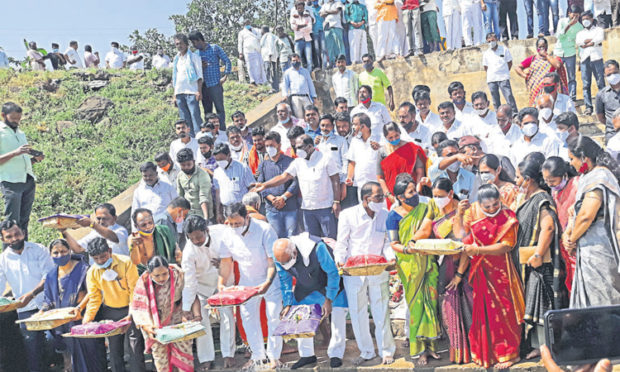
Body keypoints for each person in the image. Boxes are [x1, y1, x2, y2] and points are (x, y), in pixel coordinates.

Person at [458, 184, 524, 369]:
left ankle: (511, 354)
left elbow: (506, 246)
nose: (492, 209)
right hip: (481, 273)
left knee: (505, 313)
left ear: (500, 201)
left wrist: (478, 249)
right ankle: (488, 354)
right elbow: (461, 237)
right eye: (487, 207)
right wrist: (458, 214)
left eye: (495, 204)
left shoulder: (508, 218)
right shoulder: (476, 220)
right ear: (479, 205)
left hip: (502, 272)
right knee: (485, 314)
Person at [413, 178, 473, 364]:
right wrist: (414, 241)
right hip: (445, 265)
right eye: (434, 195)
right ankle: (457, 352)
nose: (436, 199)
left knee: (468, 308)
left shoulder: (465, 210)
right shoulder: (433, 205)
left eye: (440, 196)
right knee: (449, 309)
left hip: (464, 266)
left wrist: (459, 275)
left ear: (451, 194)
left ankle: (473, 351)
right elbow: (425, 228)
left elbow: (465, 244)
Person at [334, 182, 396, 365]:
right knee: (357, 312)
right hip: (354, 271)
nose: (382, 201)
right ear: (366, 199)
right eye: (378, 197)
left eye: (382, 197)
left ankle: (386, 351)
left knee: (381, 310)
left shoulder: (385, 214)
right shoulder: (348, 215)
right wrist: (340, 261)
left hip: (378, 269)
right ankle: (367, 351)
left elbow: (386, 242)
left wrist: (391, 258)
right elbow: (342, 242)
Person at [217, 203, 283, 369]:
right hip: (246, 282)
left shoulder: (265, 230)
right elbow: (226, 262)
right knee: (248, 319)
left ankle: (274, 356)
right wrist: (221, 284)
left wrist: (267, 282)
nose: (234, 227)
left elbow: (271, 261)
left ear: (247, 217)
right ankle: (258, 356)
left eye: (237, 224)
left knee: (274, 316)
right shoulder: (227, 234)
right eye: (230, 224)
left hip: (270, 279)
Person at [514, 158, 567, 360]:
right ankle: (539, 346)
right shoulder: (528, 197)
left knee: (541, 303)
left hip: (539, 264)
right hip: (528, 263)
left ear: (528, 179)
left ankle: (546, 347)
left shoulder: (541, 198)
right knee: (533, 302)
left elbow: (548, 227)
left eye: (518, 177)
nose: (516, 181)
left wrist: (537, 254)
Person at [385, 174, 440, 364]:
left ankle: (431, 346)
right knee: (416, 308)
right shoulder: (393, 216)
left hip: (429, 262)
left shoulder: (425, 209)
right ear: (401, 197)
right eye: (410, 192)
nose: (415, 194)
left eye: (415, 190)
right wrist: (409, 249)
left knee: (431, 303)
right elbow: (394, 243)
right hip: (409, 266)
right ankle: (418, 350)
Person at [272, 235, 349, 369]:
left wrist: (329, 299)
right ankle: (307, 355)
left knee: (338, 314)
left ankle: (336, 353)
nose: (285, 265)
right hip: (306, 287)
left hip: (330, 284)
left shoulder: (317, 248)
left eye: (288, 260)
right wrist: (288, 303)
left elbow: (333, 273)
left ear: (295, 252)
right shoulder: (280, 257)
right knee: (299, 315)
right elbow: (285, 280)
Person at [564, 136, 620, 307]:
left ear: (584, 158)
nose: (571, 163)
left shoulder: (600, 175)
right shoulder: (588, 177)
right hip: (588, 246)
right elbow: (576, 211)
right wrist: (568, 233)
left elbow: (587, 215)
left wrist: (572, 240)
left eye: (572, 159)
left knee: (602, 301)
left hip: (599, 247)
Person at [253, 134, 341, 238]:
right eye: (295, 147)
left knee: (330, 240)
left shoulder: (325, 158)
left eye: (300, 147)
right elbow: (284, 177)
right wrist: (265, 185)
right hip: (307, 209)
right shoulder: (298, 162)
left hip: (325, 207)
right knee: (312, 241)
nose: (297, 150)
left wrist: (336, 201)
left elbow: (335, 179)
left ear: (309, 147)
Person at [181, 216, 236, 369]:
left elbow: (238, 247)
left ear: (207, 230)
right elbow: (189, 282)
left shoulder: (223, 232)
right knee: (201, 320)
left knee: (227, 317)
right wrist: (186, 308)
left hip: (224, 280)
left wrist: (226, 261)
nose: (197, 241)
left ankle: (229, 354)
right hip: (201, 286)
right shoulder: (188, 253)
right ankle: (206, 357)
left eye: (199, 237)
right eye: (192, 239)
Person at [83, 237, 145, 372]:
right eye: (96, 258)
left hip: (131, 309)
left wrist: (130, 314)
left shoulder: (126, 262)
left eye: (103, 257)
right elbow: (94, 298)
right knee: (114, 349)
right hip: (111, 311)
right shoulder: (92, 272)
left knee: (135, 347)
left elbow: (134, 290)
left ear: (109, 251)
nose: (100, 261)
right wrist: (87, 320)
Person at [0, 220, 55, 372]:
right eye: (9, 236)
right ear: (3, 239)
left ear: (23, 232)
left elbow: (49, 276)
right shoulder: (3, 260)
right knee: (32, 352)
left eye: (17, 234)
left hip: (49, 304)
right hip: (25, 310)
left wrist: (32, 294)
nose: (14, 238)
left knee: (54, 341)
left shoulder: (39, 250)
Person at [43, 239, 104, 372]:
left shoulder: (83, 269)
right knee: (73, 362)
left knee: (92, 358)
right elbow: (48, 300)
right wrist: (42, 312)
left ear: (69, 251)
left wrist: (79, 307)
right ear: (50, 254)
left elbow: (93, 292)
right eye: (56, 252)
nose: (60, 255)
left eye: (63, 251)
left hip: (83, 320)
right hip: (64, 324)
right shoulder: (51, 276)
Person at [130, 256, 193, 372]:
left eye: (164, 274)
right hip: (154, 323)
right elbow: (138, 308)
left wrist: (193, 314)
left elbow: (191, 294)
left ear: (169, 269)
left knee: (184, 352)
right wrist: (147, 326)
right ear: (150, 274)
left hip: (177, 317)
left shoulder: (179, 275)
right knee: (160, 358)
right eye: (157, 276)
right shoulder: (143, 282)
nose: (161, 278)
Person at [0, 102, 43, 239]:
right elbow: (13, 156)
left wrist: (35, 159)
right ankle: (8, 256)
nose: (16, 122)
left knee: (24, 222)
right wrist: (15, 153)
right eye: (13, 118)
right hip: (11, 182)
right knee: (11, 223)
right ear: (3, 115)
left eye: (19, 118)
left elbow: (20, 161)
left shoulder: (20, 132)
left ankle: (24, 253)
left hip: (27, 180)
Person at [541, 156, 578, 293]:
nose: (550, 184)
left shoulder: (577, 184)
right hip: (562, 244)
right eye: (546, 181)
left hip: (576, 240)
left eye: (552, 181)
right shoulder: (554, 190)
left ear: (564, 175)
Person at [258, 131, 300, 238]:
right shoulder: (263, 165)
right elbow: (261, 185)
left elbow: (296, 183)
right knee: (276, 239)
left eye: (272, 145)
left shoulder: (290, 161)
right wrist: (272, 199)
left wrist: (283, 198)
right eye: (267, 146)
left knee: (293, 239)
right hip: (272, 210)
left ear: (279, 145)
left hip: (290, 207)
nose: (269, 148)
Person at [189, 31, 231, 129]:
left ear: (199, 40)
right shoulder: (196, 54)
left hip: (215, 84)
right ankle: (210, 131)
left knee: (219, 109)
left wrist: (225, 76)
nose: (194, 45)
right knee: (207, 111)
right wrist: (201, 67)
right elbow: (194, 71)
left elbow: (227, 61)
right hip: (204, 86)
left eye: (194, 42)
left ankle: (222, 131)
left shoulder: (214, 48)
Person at [378, 123, 427, 206]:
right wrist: (389, 196)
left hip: (412, 192)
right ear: (385, 137)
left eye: (396, 136)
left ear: (400, 132)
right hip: (393, 196)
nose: (394, 139)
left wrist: (418, 188)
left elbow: (420, 169)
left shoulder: (411, 148)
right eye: (390, 138)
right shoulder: (382, 152)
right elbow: (380, 178)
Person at [61, 203, 130, 258]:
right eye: (98, 218)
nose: (101, 222)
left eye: (105, 218)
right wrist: (64, 232)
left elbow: (114, 238)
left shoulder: (120, 230)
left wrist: (92, 224)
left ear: (114, 218)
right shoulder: (94, 233)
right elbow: (78, 249)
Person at [515, 37, 568, 106]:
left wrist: (546, 55)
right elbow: (518, 68)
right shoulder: (532, 59)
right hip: (535, 90)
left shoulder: (553, 58)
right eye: (540, 47)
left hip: (549, 88)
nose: (542, 49)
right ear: (537, 48)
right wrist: (526, 76)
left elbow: (557, 65)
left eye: (544, 47)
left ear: (547, 47)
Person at [128, 208, 178, 276]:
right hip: (145, 276)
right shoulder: (133, 238)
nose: (148, 227)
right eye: (143, 225)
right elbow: (136, 262)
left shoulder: (163, 231)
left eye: (150, 223)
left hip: (166, 272)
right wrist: (134, 246)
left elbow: (175, 252)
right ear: (136, 226)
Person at [172, 34, 204, 136]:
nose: (179, 46)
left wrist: (199, 91)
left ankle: (199, 139)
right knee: (184, 119)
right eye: (177, 44)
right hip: (180, 92)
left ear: (186, 44)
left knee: (195, 116)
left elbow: (199, 76)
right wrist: (174, 95)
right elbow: (175, 78)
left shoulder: (194, 57)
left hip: (191, 92)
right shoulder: (176, 59)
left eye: (181, 43)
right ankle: (189, 139)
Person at [576, 11, 606, 116]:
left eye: (587, 19)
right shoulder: (580, 33)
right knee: (586, 85)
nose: (585, 21)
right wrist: (592, 42)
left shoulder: (598, 30)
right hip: (584, 59)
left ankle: (604, 106)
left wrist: (589, 42)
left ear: (592, 19)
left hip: (597, 58)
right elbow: (579, 42)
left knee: (600, 83)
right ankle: (588, 107)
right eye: (583, 19)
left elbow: (599, 38)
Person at [346, 113, 380, 202]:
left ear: (363, 126)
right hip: (361, 184)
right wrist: (349, 177)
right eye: (352, 124)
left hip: (377, 183)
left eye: (355, 124)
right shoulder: (354, 141)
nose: (353, 127)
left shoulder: (379, 138)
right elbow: (352, 162)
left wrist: (380, 148)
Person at [482, 32, 518, 114]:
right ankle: (498, 115)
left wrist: (504, 71)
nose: (491, 42)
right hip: (491, 79)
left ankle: (514, 114)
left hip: (503, 78)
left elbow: (510, 62)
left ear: (497, 39)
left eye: (493, 40)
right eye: (489, 41)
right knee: (495, 99)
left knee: (509, 96)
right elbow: (485, 67)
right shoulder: (486, 53)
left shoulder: (504, 49)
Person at [554, 5, 583, 103]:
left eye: (577, 16)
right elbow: (559, 36)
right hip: (559, 52)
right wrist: (569, 25)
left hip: (570, 53)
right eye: (573, 15)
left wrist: (580, 58)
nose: (574, 18)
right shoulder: (562, 21)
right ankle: (556, 95)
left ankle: (572, 96)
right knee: (555, 75)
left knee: (572, 77)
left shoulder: (580, 27)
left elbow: (579, 43)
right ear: (569, 13)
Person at [176, 148, 213, 221]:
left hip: (202, 213)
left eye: (189, 164)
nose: (186, 167)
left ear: (193, 161)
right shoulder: (180, 175)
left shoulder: (202, 174)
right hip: (188, 214)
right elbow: (180, 196)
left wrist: (206, 219)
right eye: (183, 165)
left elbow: (204, 197)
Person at [212, 143, 255, 207]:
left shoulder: (242, 168)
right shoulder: (217, 172)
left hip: (242, 207)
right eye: (217, 160)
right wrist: (219, 212)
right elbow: (218, 193)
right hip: (226, 209)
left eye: (221, 159)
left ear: (229, 155)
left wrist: (250, 207)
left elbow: (252, 187)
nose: (219, 162)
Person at [282, 54, 317, 120]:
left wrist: (314, 96)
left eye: (297, 60)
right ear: (291, 62)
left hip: (306, 96)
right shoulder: (288, 73)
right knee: (299, 117)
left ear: (300, 60)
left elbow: (310, 85)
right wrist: (285, 95)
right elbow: (285, 85)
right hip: (295, 98)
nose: (295, 62)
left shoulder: (305, 71)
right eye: (293, 60)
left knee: (310, 114)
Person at [596, 60, 620, 144]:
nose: (613, 76)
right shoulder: (601, 95)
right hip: (612, 136)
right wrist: (614, 124)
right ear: (604, 76)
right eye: (609, 75)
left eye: (615, 72)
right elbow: (601, 118)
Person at [320, 0, 346, 66]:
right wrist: (331, 12)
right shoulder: (324, 5)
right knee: (329, 46)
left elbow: (336, 11)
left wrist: (326, 12)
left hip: (336, 25)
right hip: (327, 27)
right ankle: (332, 62)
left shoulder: (338, 3)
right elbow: (321, 14)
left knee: (339, 44)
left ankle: (342, 60)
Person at [290, 1, 314, 70]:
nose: (300, 9)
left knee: (309, 60)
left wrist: (299, 27)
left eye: (301, 7)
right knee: (297, 59)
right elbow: (293, 27)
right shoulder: (293, 17)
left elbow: (310, 28)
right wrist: (304, 25)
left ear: (304, 8)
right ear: (296, 8)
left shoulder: (307, 16)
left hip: (307, 41)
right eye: (298, 8)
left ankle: (308, 75)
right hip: (298, 40)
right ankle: (300, 75)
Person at [261, 26, 280, 92]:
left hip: (269, 57)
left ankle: (273, 87)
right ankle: (274, 87)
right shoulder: (266, 36)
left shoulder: (269, 36)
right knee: (271, 71)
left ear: (263, 30)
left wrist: (270, 54)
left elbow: (270, 44)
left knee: (269, 72)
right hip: (267, 57)